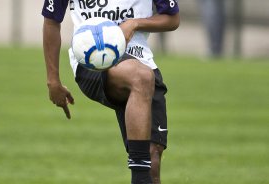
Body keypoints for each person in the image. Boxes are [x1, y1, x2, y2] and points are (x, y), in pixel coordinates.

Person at [42, 0, 180, 183]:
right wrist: (53, 81)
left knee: (152, 160)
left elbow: (172, 18)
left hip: (141, 58)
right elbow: (51, 21)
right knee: (141, 78)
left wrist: (135, 23)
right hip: (91, 60)